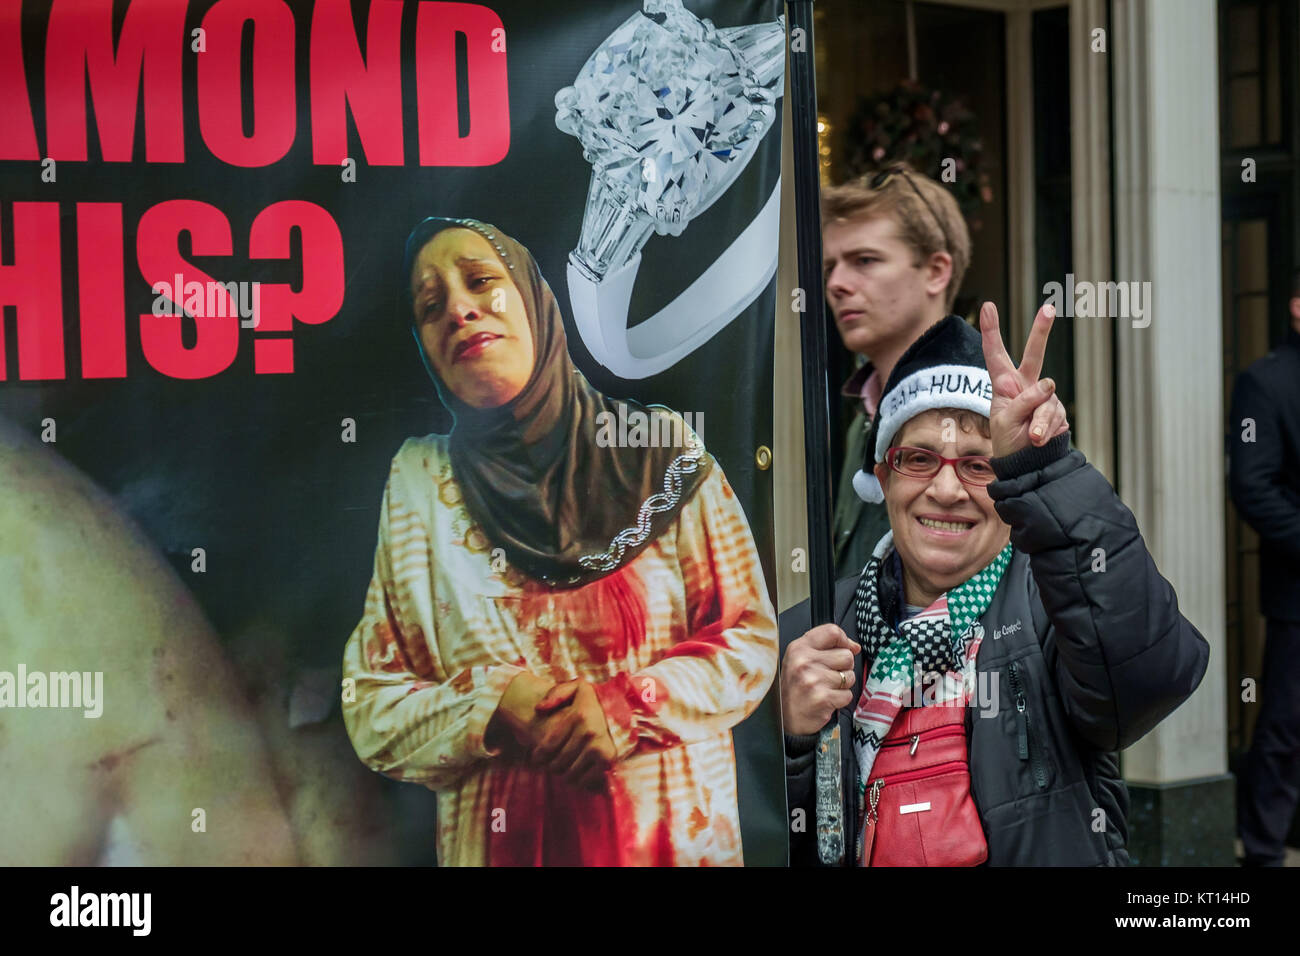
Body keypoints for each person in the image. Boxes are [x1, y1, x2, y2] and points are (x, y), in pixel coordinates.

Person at [341, 217, 778, 866]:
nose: (458, 309)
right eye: (431, 307)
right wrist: (490, 705)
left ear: (535, 299)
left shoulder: (658, 450)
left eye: (482, 281)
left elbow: (750, 640)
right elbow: (369, 701)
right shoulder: (420, 483)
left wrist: (628, 707)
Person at [780, 306, 1209, 866]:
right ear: (882, 478)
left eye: (979, 466)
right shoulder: (810, 634)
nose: (947, 489)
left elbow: (1151, 676)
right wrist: (788, 743)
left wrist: (1046, 469)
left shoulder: (1056, 606)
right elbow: (745, 830)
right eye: (919, 458)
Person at [824, 163, 973, 579]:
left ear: (936, 271)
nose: (836, 282)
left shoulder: (993, 418)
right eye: (829, 267)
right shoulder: (864, 413)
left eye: (864, 260)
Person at [1231, 267, 1300, 867]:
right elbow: (1253, 488)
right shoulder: (1265, 382)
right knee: (1285, 732)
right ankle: (1263, 855)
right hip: (1299, 598)